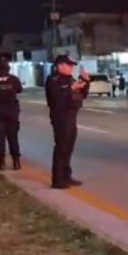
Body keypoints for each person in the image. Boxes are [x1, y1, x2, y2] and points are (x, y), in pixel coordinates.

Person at [45, 55, 89, 189]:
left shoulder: (70, 79)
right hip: (60, 117)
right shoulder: (53, 80)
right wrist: (71, 88)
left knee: (69, 148)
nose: (71, 68)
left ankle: (66, 176)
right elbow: (56, 98)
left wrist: (85, 82)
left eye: (72, 65)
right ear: (59, 65)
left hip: (71, 116)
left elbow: (82, 94)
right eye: (68, 65)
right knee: (61, 148)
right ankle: (57, 180)